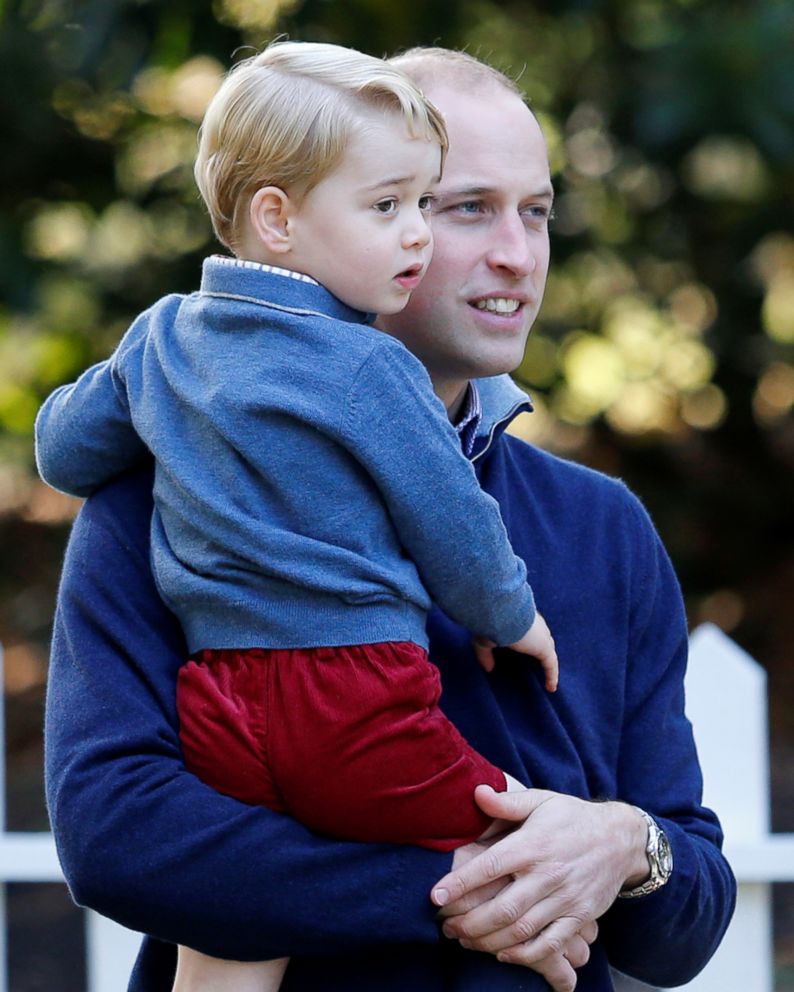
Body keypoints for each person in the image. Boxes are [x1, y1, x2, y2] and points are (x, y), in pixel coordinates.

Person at [43, 45, 736, 992]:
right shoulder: (167, 489)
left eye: (535, 212)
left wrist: (623, 846)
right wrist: (473, 892)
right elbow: (118, 832)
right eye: (462, 208)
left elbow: (684, 925)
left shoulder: (601, 525)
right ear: (297, 219)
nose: (516, 253)